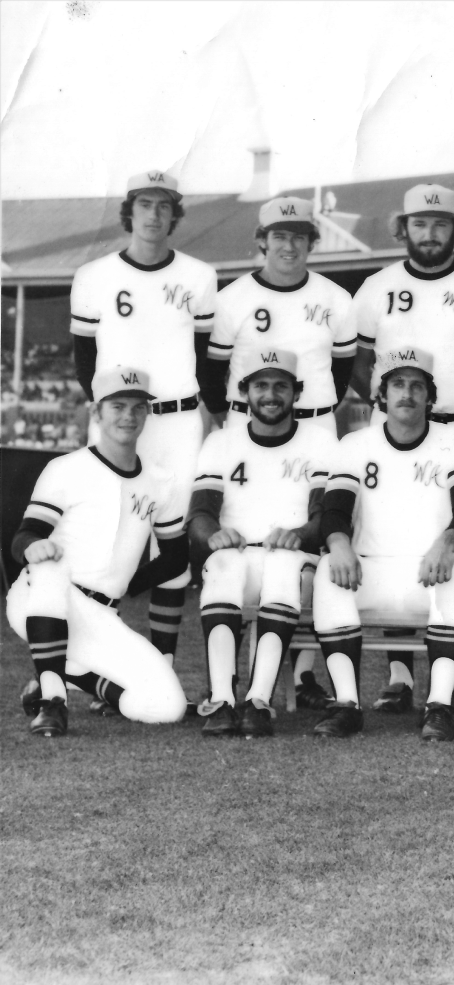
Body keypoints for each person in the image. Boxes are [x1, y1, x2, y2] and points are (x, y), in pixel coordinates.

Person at [349, 184, 454, 710]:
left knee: (453, 539)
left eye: (440, 224)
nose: (429, 233)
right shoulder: (376, 286)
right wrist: (378, 405)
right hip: (399, 431)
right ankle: (400, 676)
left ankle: (446, 678)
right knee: (394, 534)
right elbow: (361, 362)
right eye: (419, 223)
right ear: (403, 228)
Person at [70, 169, 218, 670]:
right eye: (144, 205)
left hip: (176, 423)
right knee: (104, 538)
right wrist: (109, 415)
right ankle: (88, 664)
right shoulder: (94, 276)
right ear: (128, 212)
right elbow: (82, 360)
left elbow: (202, 355)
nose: (153, 215)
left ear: (174, 215)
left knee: (171, 546)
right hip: (118, 421)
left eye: (163, 206)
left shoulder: (199, 276)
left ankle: (162, 665)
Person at [310, 347, 454, 740]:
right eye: (398, 384)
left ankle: (438, 706)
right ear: (382, 395)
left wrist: (446, 544)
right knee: (326, 569)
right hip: (370, 570)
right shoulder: (355, 444)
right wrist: (339, 545)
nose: (407, 393)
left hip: (429, 570)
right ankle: (347, 704)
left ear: (430, 396)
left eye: (417, 386)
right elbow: (334, 511)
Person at [11, 366, 188, 735]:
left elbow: (175, 557)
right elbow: (24, 536)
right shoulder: (66, 468)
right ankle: (53, 701)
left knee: (167, 706)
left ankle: (63, 676)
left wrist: (129, 584)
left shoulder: (160, 481)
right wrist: (34, 547)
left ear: (147, 413)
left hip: (101, 615)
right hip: (44, 599)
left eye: (138, 407)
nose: (128, 416)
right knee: (51, 563)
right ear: (97, 412)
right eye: (117, 406)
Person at [188, 350, 337, 738]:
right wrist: (213, 536)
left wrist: (301, 534)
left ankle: (258, 701)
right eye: (260, 386)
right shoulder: (221, 442)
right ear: (245, 391)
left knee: (283, 567)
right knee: (222, 565)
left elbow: (326, 516)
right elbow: (200, 515)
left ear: (296, 392)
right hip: (238, 556)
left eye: (280, 386)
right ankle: (221, 700)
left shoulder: (320, 441)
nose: (270, 395)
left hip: (293, 558)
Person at [205, 196, 357, 439]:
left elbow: (342, 372)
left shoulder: (337, 298)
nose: (289, 246)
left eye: (298, 237)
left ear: (312, 243)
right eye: (279, 237)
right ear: (262, 240)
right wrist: (231, 422)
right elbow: (211, 374)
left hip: (315, 426)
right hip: (248, 424)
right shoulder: (231, 298)